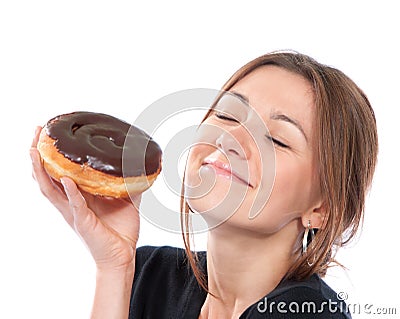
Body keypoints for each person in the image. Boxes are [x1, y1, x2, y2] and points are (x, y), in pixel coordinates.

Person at [30, 51, 378, 318]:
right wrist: (114, 269)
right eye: (227, 115)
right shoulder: (150, 274)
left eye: (275, 139)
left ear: (322, 208)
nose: (230, 139)